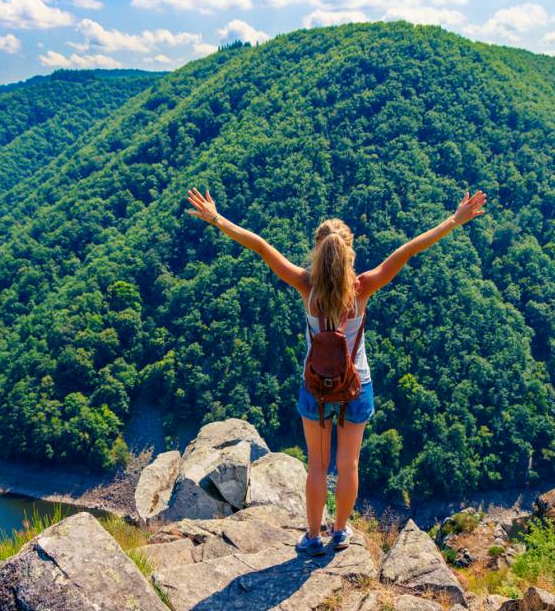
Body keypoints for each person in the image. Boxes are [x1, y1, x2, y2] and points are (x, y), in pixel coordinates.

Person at [185, 186, 487, 555]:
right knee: (348, 464)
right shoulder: (362, 289)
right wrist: (454, 220)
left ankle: (312, 538)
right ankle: (340, 532)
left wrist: (217, 219)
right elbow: (408, 249)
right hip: (356, 386)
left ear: (317, 251)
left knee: (317, 466)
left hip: (314, 388)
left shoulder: (306, 286)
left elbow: (260, 246)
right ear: (349, 253)